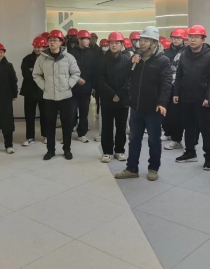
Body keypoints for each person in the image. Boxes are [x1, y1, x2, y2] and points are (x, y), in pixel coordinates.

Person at [115, 26, 172, 182]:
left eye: (146, 40)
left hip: (153, 109)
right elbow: (124, 76)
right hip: (136, 107)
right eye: (141, 40)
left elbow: (166, 84)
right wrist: (130, 64)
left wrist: (162, 102)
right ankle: (131, 168)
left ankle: (153, 168)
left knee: (154, 141)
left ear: (154, 42)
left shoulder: (163, 61)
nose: (142, 43)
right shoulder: (136, 58)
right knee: (134, 139)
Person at [172, 25, 210, 171]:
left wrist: (209, 97)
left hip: (202, 99)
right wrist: (176, 93)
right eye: (190, 37)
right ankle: (190, 152)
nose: (192, 40)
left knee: (205, 128)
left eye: (196, 37)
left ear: (203, 39)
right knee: (188, 126)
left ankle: (209, 157)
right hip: (186, 97)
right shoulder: (184, 55)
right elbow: (179, 75)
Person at [34, 30, 81, 161]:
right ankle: (50, 150)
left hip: (66, 97)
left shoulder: (69, 57)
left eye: (55, 40)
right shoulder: (42, 58)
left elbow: (76, 73)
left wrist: (69, 84)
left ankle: (67, 149)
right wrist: (44, 86)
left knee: (67, 124)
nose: (52, 42)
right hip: (49, 97)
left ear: (61, 42)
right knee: (50, 124)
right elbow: (36, 75)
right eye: (50, 40)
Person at [98, 32, 131, 163]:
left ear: (121, 44)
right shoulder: (102, 60)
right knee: (107, 127)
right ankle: (107, 152)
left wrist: (120, 94)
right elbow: (100, 80)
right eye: (112, 43)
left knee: (121, 127)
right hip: (107, 99)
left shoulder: (127, 60)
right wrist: (112, 94)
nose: (114, 45)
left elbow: (129, 79)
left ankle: (119, 150)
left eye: (117, 43)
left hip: (122, 99)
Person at [69, 30, 97, 143]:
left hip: (86, 88)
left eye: (88, 39)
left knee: (84, 112)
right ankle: (67, 134)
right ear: (79, 40)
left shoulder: (92, 54)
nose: (88, 41)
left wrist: (93, 87)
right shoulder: (71, 53)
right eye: (85, 39)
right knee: (71, 113)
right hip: (72, 88)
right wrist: (76, 79)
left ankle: (82, 134)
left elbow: (94, 72)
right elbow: (67, 70)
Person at [21, 37, 49, 147]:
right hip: (29, 91)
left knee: (45, 114)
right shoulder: (27, 59)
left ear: (44, 47)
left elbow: (50, 74)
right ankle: (30, 137)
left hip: (44, 90)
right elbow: (26, 75)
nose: (38, 49)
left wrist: (34, 71)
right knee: (29, 115)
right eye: (36, 47)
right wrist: (40, 73)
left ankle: (46, 135)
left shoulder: (48, 59)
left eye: (40, 47)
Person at [162, 28, 186, 143]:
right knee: (165, 110)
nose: (176, 40)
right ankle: (167, 132)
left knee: (176, 113)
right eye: (174, 38)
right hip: (166, 83)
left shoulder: (185, 52)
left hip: (178, 85)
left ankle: (176, 138)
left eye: (178, 38)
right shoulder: (166, 51)